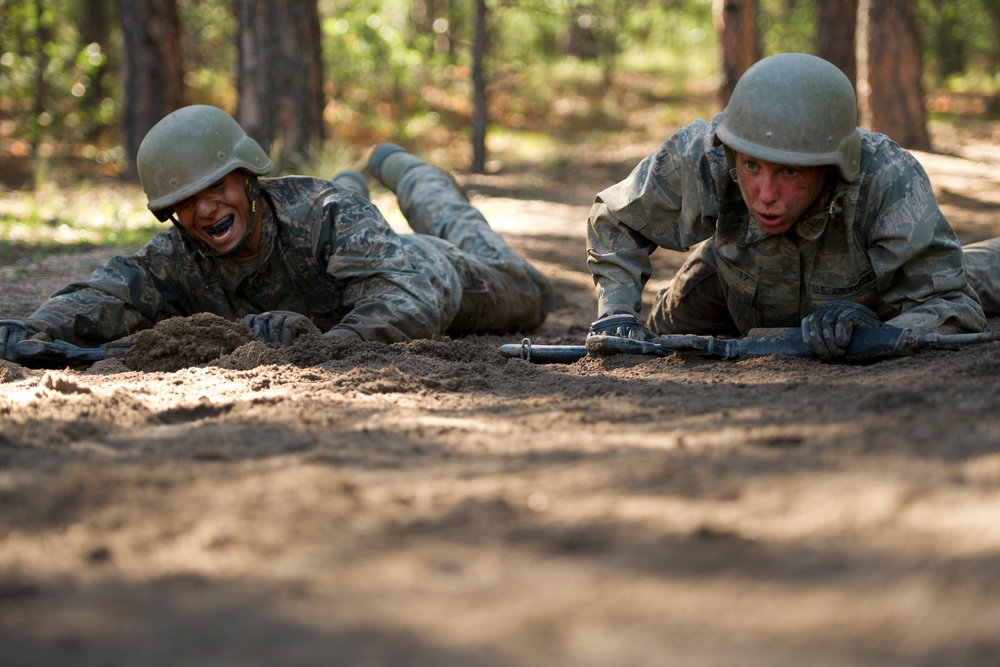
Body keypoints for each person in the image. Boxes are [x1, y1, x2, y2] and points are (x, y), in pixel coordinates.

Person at [0, 105, 551, 362]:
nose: (205, 209)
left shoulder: (326, 213)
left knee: (528, 290)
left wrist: (320, 342)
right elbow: (108, 292)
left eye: (216, 187)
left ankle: (407, 172)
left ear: (247, 177)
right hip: (356, 250)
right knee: (350, 212)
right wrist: (37, 328)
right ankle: (356, 179)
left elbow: (408, 301)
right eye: (184, 202)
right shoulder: (177, 254)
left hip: (433, 272)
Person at [586, 51, 1000, 360]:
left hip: (870, 290)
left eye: (789, 172)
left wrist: (878, 329)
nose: (765, 195)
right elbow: (617, 220)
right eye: (751, 166)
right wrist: (617, 313)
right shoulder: (708, 152)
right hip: (732, 275)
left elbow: (949, 302)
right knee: (654, 339)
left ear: (831, 165)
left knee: (973, 276)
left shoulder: (887, 179)